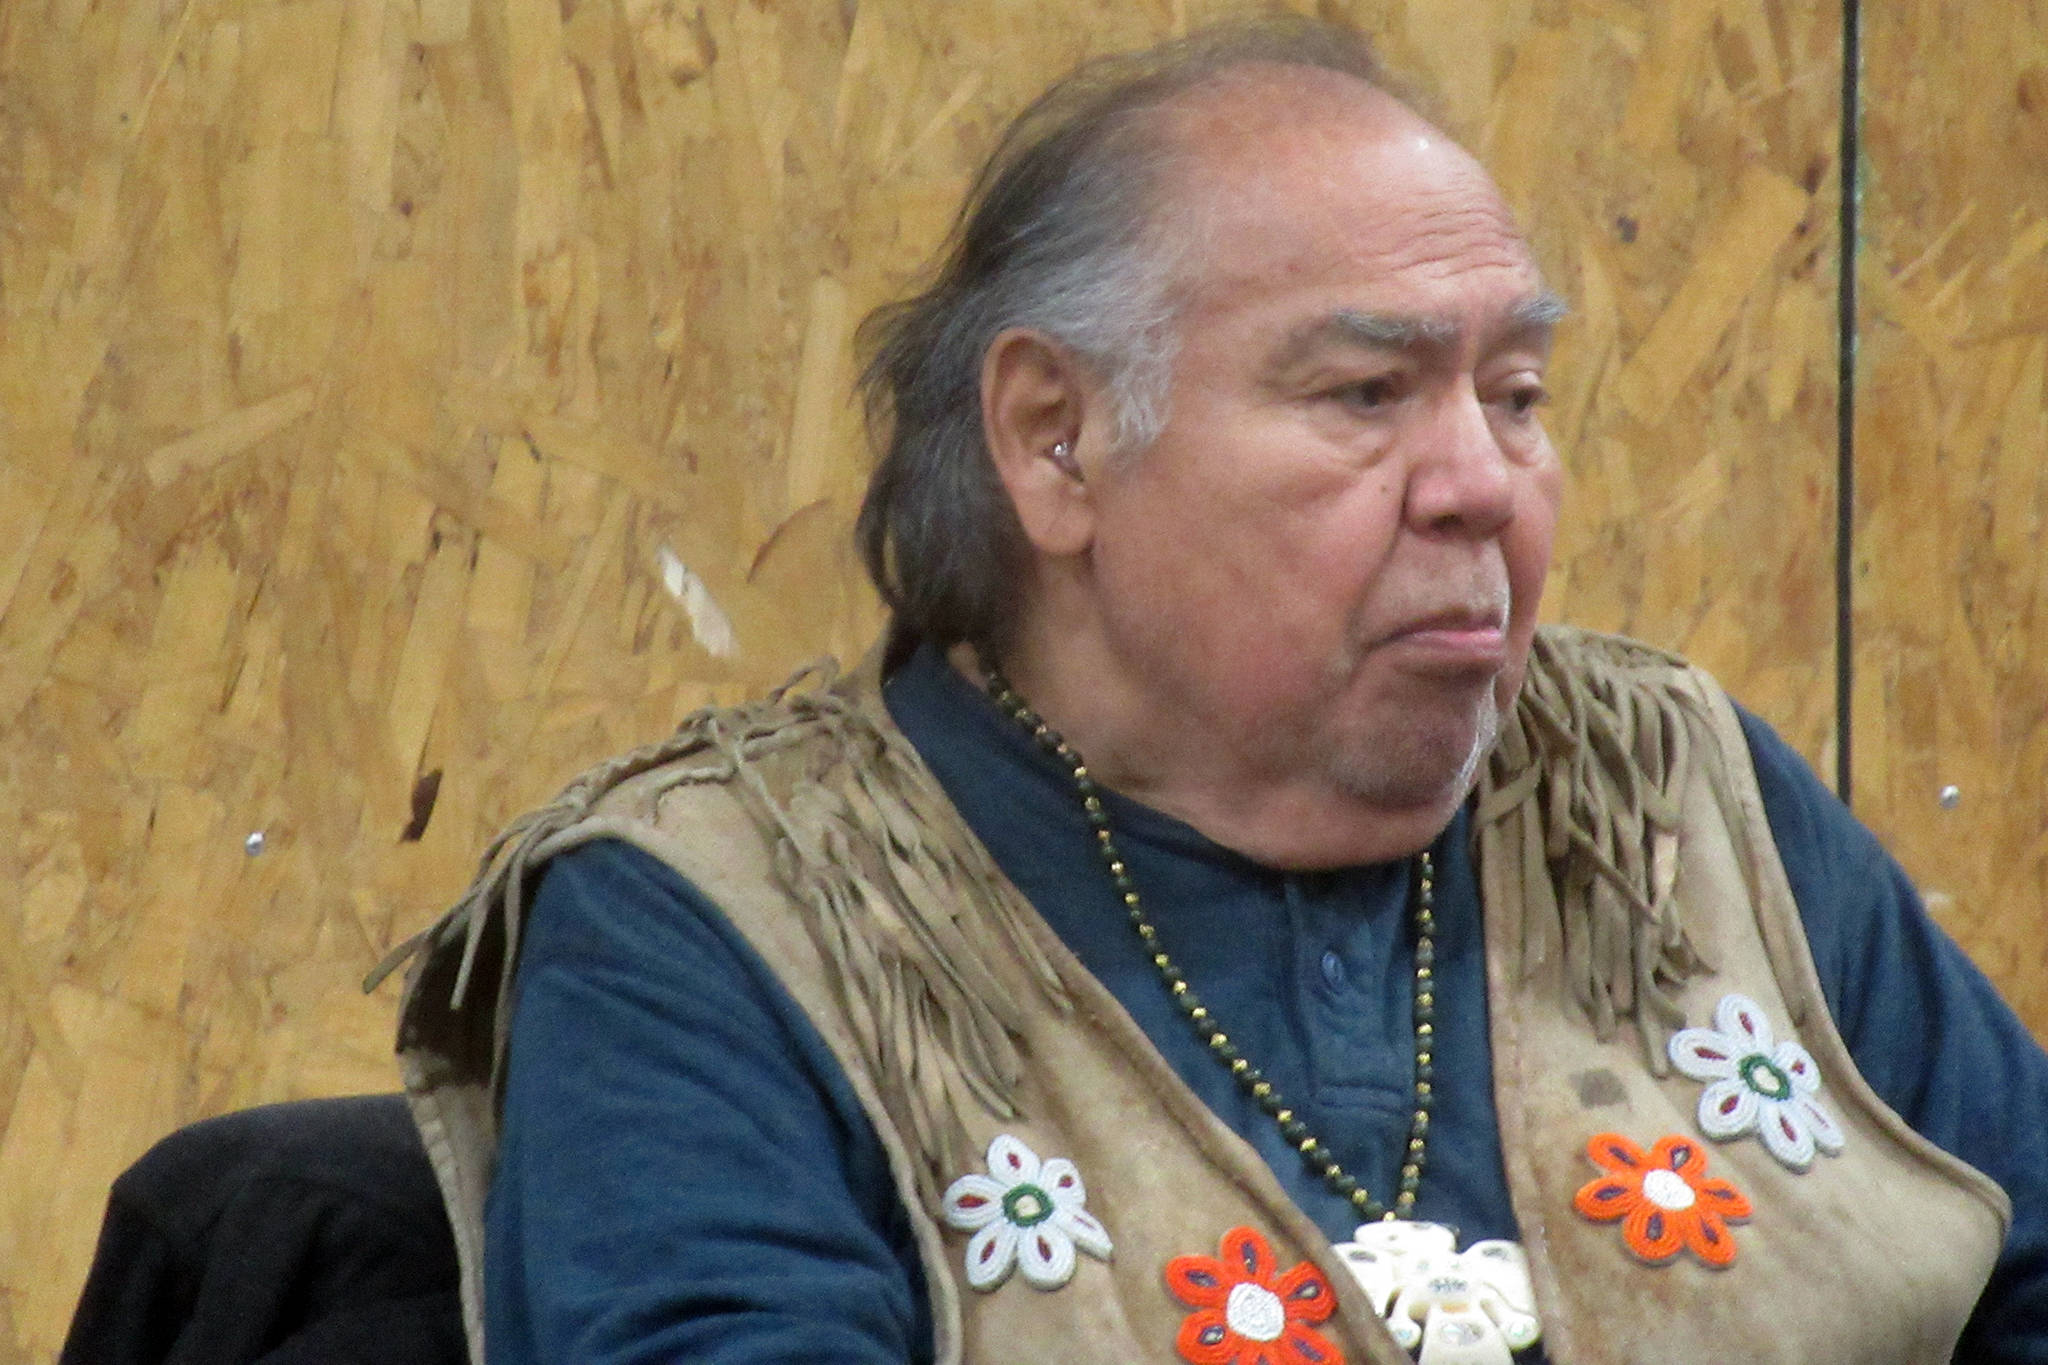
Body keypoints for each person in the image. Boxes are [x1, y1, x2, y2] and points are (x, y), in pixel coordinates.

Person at [388, 17, 2048, 1364]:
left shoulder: (1679, 798)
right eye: (1365, 389)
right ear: (1058, 440)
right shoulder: (723, 919)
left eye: (1518, 392)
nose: (1483, 480)